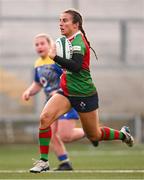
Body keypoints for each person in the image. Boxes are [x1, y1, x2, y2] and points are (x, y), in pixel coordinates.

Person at [29, 9, 134, 172]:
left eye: (65, 20)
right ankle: (43, 161)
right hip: (65, 92)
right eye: (60, 20)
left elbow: (76, 67)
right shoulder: (64, 41)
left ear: (76, 24)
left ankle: (123, 135)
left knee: (94, 135)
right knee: (45, 119)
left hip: (84, 94)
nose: (61, 23)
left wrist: (55, 57)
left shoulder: (78, 41)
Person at [22, 33, 85, 172]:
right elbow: (38, 84)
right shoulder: (38, 63)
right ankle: (65, 163)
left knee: (65, 136)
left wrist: (59, 90)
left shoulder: (55, 60)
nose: (39, 46)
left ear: (50, 45)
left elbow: (70, 77)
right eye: (36, 44)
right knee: (50, 135)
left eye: (42, 43)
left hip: (64, 100)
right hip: (50, 103)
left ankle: (91, 131)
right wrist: (29, 91)